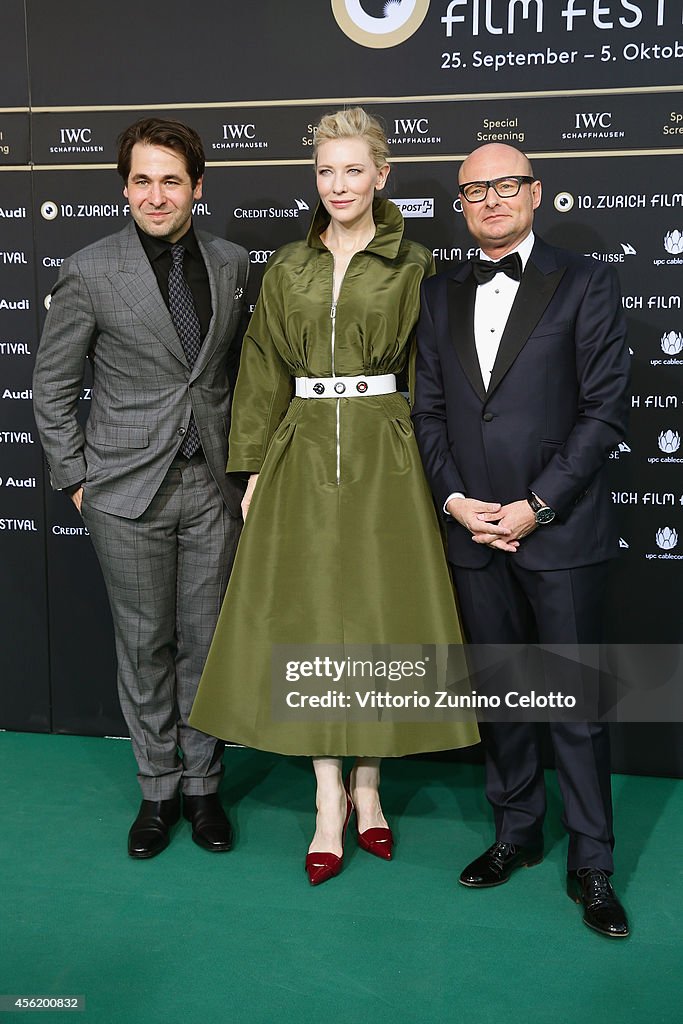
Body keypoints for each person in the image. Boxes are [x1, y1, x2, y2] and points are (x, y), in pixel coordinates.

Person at [190, 107, 479, 885]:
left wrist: (437, 469)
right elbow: (260, 369)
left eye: (353, 169)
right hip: (303, 454)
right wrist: (250, 470)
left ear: (381, 176)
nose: (339, 184)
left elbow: (436, 376)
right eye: (326, 171)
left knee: (383, 619)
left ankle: (370, 788)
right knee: (315, 622)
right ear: (314, 179)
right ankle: (327, 799)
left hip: (391, 452)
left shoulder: (414, 263)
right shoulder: (286, 267)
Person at [412, 143, 631, 937]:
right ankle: (514, 833)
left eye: (505, 186)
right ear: (462, 204)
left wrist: (535, 505)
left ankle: (592, 863)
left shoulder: (586, 280)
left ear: (535, 194)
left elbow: (605, 410)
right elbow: (427, 412)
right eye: (475, 190)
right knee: (503, 697)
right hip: (472, 532)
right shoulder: (436, 294)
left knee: (573, 704)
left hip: (558, 531)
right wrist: (456, 502)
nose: (490, 200)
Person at [32, 118, 249, 859]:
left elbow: (232, 380)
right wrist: (77, 485)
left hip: (212, 489)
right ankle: (157, 790)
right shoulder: (92, 269)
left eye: (171, 180)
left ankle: (204, 789)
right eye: (142, 180)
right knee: (143, 646)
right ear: (125, 186)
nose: (156, 196)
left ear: (197, 186)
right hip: (124, 495)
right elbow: (52, 388)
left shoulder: (231, 262)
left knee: (206, 648)